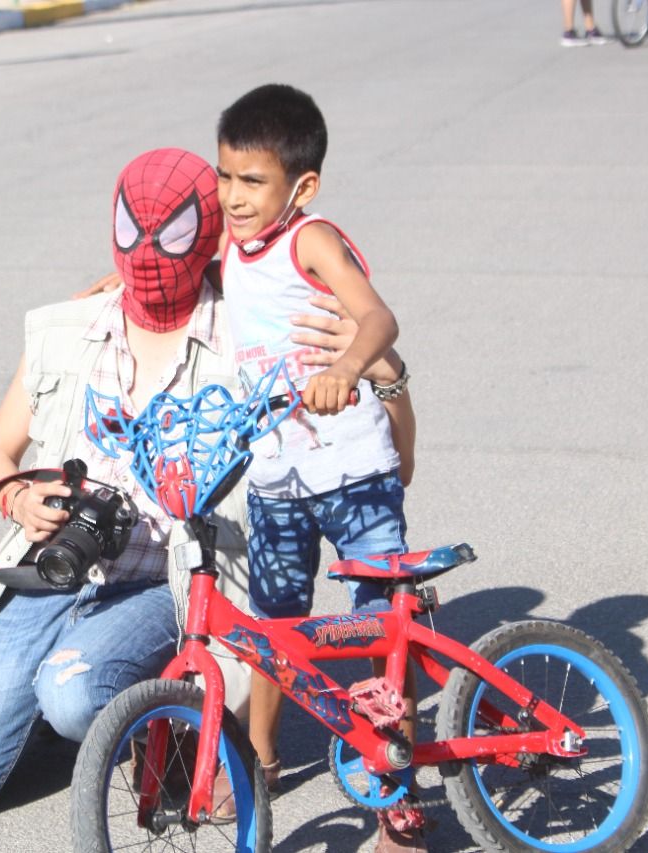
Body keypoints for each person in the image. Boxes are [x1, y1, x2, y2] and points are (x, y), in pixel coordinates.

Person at [0, 147, 400, 825]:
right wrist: (18, 496)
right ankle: (72, 708)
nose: (144, 255)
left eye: (168, 236)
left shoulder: (250, 331)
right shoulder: (72, 328)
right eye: (129, 232)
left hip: (165, 583)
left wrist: (383, 370)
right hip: (58, 566)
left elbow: (384, 455)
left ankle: (141, 715)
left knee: (74, 692)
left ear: (208, 235)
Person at [215, 83, 425, 852]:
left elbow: (378, 315)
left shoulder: (310, 238)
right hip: (278, 476)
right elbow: (217, 287)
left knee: (380, 628)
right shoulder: (233, 243)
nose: (232, 197)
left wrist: (346, 366)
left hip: (354, 467)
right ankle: (261, 756)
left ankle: (398, 803)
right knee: (275, 624)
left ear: (300, 186)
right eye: (225, 177)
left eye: (251, 182)